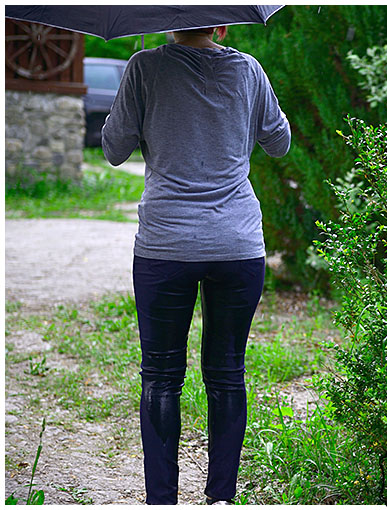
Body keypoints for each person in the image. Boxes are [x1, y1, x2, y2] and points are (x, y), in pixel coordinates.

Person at [101, 25, 290, 505]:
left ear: (168, 21)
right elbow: (279, 143)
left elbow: (113, 149)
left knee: (161, 376)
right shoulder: (249, 70)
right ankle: (221, 498)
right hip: (238, 244)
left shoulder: (144, 67)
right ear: (222, 22)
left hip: (166, 244)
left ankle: (161, 500)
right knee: (227, 373)